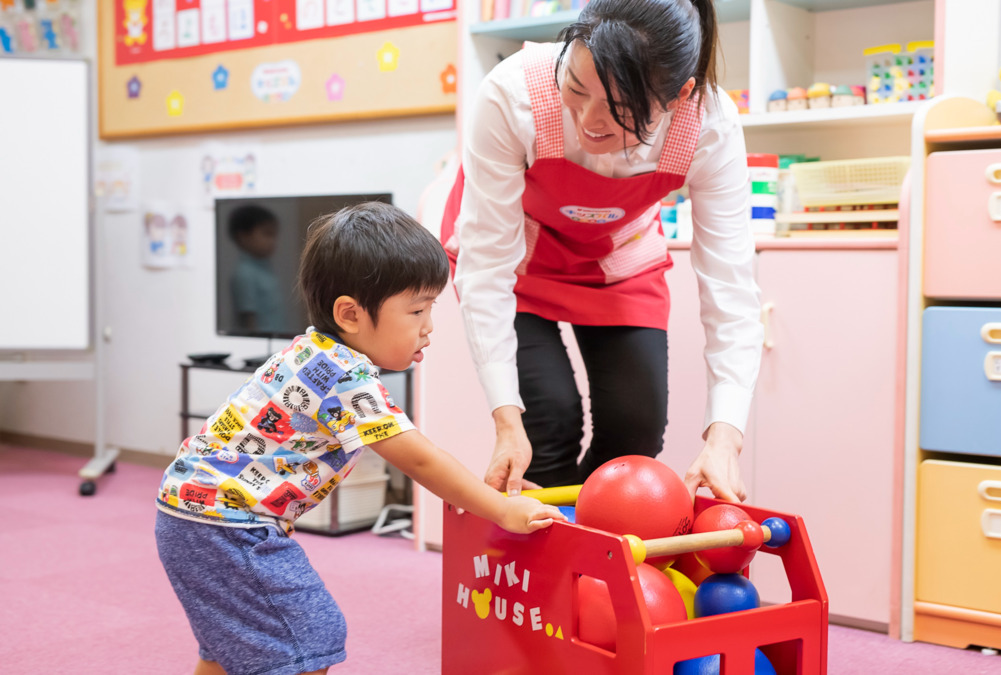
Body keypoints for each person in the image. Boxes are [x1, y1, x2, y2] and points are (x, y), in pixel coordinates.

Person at [155, 202, 563, 675]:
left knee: (232, 650)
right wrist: (501, 510)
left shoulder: (313, 351)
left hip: (190, 513)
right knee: (309, 638)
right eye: (416, 310)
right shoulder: (345, 377)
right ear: (349, 314)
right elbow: (420, 460)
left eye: (431, 308)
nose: (428, 326)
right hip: (225, 524)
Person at [441, 0, 763, 502]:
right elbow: (487, 267)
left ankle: (595, 554)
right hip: (514, 256)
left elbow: (731, 289)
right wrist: (506, 420)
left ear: (679, 96)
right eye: (575, 88)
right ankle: (551, 570)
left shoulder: (710, 125)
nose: (590, 122)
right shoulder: (512, 93)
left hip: (617, 259)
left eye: (620, 112)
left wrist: (725, 438)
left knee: (635, 433)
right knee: (546, 422)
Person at [227, 203, 285, 335]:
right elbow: (248, 318)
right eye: (267, 234)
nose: (273, 241)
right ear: (243, 236)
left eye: (274, 235)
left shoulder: (265, 269)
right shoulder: (244, 273)